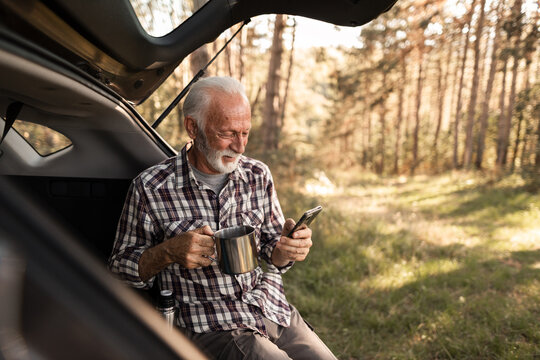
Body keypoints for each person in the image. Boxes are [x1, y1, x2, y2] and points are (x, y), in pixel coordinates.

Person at [108, 76, 336, 360]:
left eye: (245, 133)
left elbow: (272, 252)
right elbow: (118, 269)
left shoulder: (257, 175)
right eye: (228, 133)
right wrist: (167, 252)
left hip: (268, 306)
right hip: (210, 322)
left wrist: (286, 250)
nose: (240, 146)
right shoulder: (151, 187)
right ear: (193, 127)